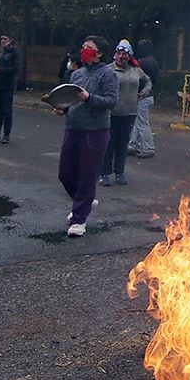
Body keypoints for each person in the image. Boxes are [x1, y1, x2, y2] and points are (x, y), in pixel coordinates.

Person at [57, 35, 118, 237]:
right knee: (65, 173)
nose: (84, 50)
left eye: (88, 47)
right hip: (73, 128)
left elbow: (111, 101)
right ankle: (84, 201)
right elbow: (71, 100)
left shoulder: (107, 74)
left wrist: (89, 97)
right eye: (83, 46)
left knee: (87, 176)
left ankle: (79, 219)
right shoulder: (77, 74)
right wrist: (63, 109)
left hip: (95, 131)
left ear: (99, 52)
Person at [100, 40, 151, 187]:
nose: (121, 57)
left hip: (129, 113)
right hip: (111, 113)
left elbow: (148, 82)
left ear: (129, 56)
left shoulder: (136, 70)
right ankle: (104, 174)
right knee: (109, 145)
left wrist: (144, 92)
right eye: (119, 53)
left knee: (122, 145)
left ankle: (120, 172)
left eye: (125, 54)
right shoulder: (109, 70)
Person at [127, 38, 159, 158]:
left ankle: (148, 148)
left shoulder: (140, 62)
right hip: (149, 95)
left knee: (142, 123)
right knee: (137, 121)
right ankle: (132, 145)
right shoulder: (153, 61)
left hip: (141, 96)